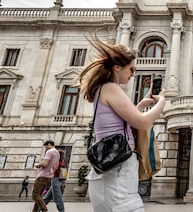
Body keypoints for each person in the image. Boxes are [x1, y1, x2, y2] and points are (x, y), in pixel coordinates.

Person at [78, 36, 166, 212]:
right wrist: (162, 102)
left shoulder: (103, 88)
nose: (133, 74)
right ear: (117, 67)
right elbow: (141, 122)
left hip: (109, 166)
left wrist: (140, 105)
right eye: (131, 69)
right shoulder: (111, 88)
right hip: (119, 168)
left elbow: (120, 119)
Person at [31, 140, 60, 212]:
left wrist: (39, 165)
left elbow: (45, 164)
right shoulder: (57, 153)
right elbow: (56, 167)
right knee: (39, 195)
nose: (46, 148)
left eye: (46, 146)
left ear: (49, 144)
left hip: (42, 176)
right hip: (49, 176)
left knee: (35, 195)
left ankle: (44, 209)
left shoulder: (49, 152)